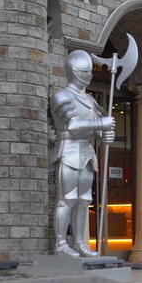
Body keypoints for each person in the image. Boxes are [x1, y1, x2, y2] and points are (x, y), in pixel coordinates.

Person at [50, 50, 116, 257]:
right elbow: (73, 126)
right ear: (73, 72)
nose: (89, 76)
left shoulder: (89, 100)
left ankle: (80, 242)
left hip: (87, 153)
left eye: (90, 72)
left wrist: (106, 134)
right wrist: (101, 124)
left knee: (84, 200)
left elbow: (97, 132)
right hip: (69, 150)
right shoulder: (61, 96)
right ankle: (61, 244)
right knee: (67, 199)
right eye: (84, 72)